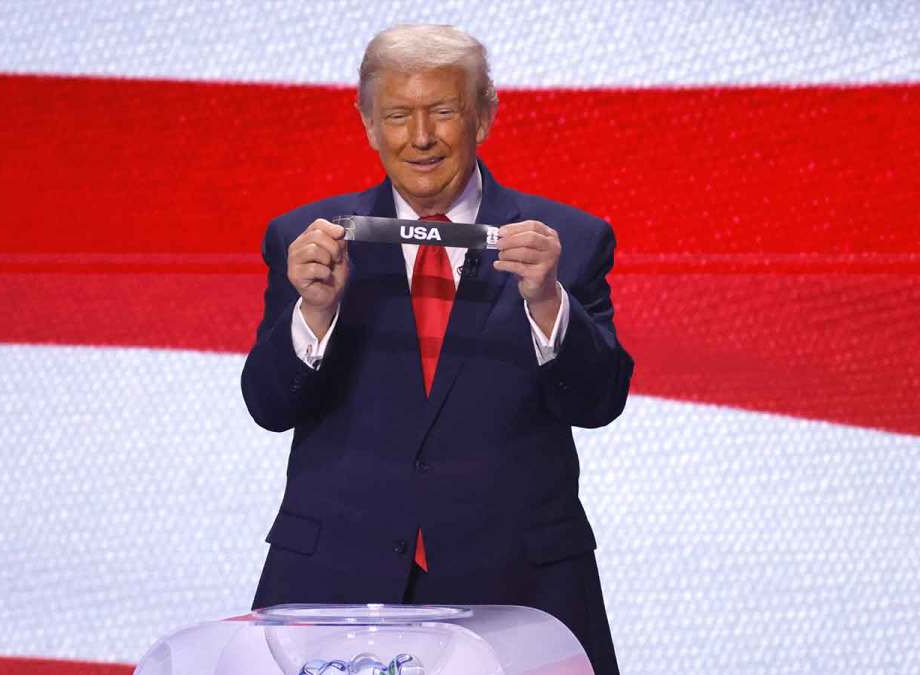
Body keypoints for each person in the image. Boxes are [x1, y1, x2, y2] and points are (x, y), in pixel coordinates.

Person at [241, 24, 633, 674]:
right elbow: (268, 403)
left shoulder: (569, 240)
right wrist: (314, 310)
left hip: (518, 594)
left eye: (443, 111)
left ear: (484, 114)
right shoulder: (305, 240)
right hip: (336, 586)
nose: (419, 137)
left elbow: (598, 401)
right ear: (368, 122)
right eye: (397, 114)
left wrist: (546, 301)